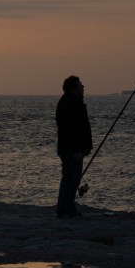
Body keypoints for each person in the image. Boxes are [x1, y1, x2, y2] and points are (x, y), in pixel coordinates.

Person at [55, 75, 92, 218]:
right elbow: (69, 131)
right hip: (70, 150)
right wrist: (77, 150)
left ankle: (68, 208)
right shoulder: (68, 104)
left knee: (74, 179)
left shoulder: (74, 102)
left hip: (75, 149)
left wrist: (86, 147)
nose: (83, 87)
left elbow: (82, 128)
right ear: (73, 89)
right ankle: (64, 209)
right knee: (69, 179)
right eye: (80, 85)